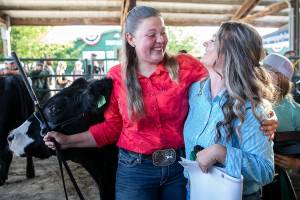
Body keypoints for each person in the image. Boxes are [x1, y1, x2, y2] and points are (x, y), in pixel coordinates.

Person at [44, 6, 277, 200]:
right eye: (151, 34)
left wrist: (266, 115)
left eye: (163, 32)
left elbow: (235, 82)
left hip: (180, 168)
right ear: (131, 39)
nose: (161, 40)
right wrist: (67, 140)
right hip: (135, 169)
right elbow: (112, 127)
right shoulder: (117, 76)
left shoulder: (186, 67)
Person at [183, 21, 275, 200]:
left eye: (214, 40)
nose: (205, 44)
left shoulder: (252, 107)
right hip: (194, 192)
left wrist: (222, 152)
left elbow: (266, 171)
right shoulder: (195, 91)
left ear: (232, 52)